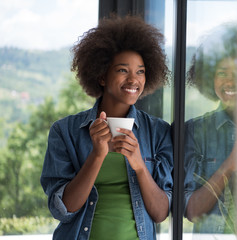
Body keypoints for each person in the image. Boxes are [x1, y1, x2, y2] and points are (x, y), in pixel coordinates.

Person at [40, 15, 173, 240]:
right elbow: (62, 210)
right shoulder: (65, 131)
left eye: (140, 71)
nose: (134, 80)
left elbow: (160, 213)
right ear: (102, 75)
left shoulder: (158, 132)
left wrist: (140, 165)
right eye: (123, 70)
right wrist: (97, 155)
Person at [183, 23, 237, 234]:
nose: (231, 81)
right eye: (222, 72)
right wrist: (230, 165)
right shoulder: (195, 131)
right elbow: (191, 210)